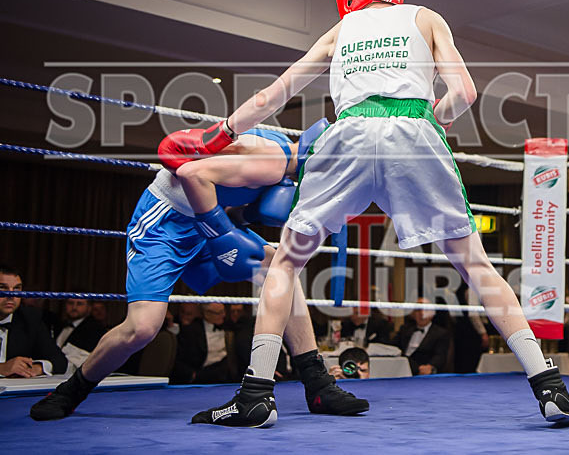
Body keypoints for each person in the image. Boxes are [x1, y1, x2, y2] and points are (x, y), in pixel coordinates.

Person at [179, 0, 569, 427]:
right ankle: (549, 388)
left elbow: (273, 95)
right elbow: (465, 92)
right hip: (413, 133)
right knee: (477, 267)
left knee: (286, 263)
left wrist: (219, 134)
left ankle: (255, 395)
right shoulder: (426, 17)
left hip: (349, 134)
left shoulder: (342, 29)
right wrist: (435, 117)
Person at [29, 125, 367, 420]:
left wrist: (240, 222)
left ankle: (317, 384)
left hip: (207, 220)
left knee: (280, 267)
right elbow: (192, 174)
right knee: (142, 327)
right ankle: (71, 390)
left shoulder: (284, 175)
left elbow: (229, 202)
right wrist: (222, 235)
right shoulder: (269, 160)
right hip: (165, 225)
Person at [0, 265, 67, 377]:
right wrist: (2, 368)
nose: (11, 295)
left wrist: (35, 368)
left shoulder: (30, 318)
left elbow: (60, 361)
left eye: (16, 289)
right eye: (2, 288)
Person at [393, 298, 451, 375]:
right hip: (400, 369)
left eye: (426, 310)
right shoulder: (405, 329)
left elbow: (440, 356)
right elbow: (394, 347)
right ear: (413, 313)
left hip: (423, 372)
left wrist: (430, 366)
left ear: (432, 314)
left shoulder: (440, 333)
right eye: (418, 310)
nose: (422, 313)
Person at [56, 295, 105, 371]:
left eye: (79, 304)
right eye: (70, 303)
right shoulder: (58, 325)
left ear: (89, 307)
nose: (74, 307)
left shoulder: (95, 329)